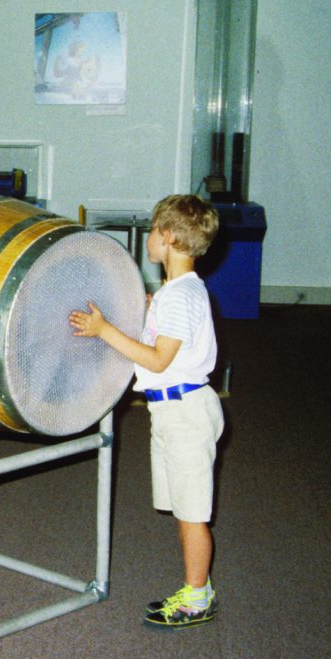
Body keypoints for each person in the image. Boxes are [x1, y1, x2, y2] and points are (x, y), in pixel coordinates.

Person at [68, 194, 224, 630]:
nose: (150, 238)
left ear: (168, 237)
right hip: (173, 411)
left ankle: (198, 598)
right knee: (184, 510)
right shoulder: (177, 292)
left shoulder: (180, 297)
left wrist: (103, 330)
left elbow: (157, 360)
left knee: (193, 515)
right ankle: (197, 586)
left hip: (185, 413)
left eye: (154, 230)